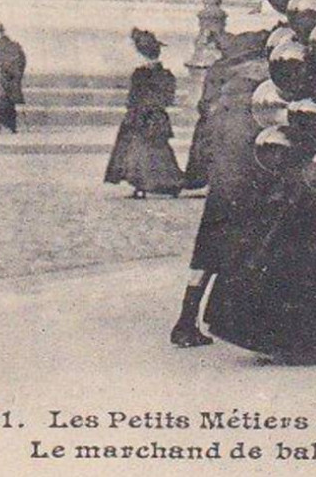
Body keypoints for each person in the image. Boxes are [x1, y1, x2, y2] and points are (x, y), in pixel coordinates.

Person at [170, 30, 272, 348]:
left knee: (206, 257)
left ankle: (186, 321)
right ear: (249, 65)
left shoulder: (221, 100)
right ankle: (241, 325)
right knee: (249, 255)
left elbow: (205, 150)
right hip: (246, 190)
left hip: (221, 191)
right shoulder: (255, 101)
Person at [103, 28, 184, 199]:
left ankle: (142, 185)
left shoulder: (140, 74)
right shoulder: (167, 74)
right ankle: (169, 184)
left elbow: (133, 98)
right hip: (157, 116)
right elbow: (168, 98)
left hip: (140, 115)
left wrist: (136, 109)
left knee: (138, 150)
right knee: (160, 150)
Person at [0, 23, 27, 133]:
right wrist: (16, 77)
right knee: (9, 104)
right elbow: (22, 62)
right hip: (11, 81)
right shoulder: (15, 46)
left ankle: (0, 126)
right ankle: (10, 126)